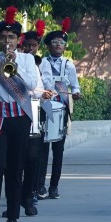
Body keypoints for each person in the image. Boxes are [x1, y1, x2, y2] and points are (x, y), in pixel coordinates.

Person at [0, 7, 51, 222]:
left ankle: (12, 219)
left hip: (19, 118)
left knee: (16, 168)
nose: (7, 41)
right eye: (3, 37)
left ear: (18, 39)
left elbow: (33, 85)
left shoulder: (28, 59)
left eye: (11, 37)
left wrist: (15, 70)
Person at [29, 20, 80, 203]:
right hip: (45, 107)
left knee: (58, 150)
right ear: (48, 45)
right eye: (55, 42)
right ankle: (40, 185)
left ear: (65, 46)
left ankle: (54, 186)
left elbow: (75, 85)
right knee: (42, 148)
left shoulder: (68, 64)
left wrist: (76, 93)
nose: (58, 45)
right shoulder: (41, 62)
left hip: (62, 108)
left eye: (61, 42)